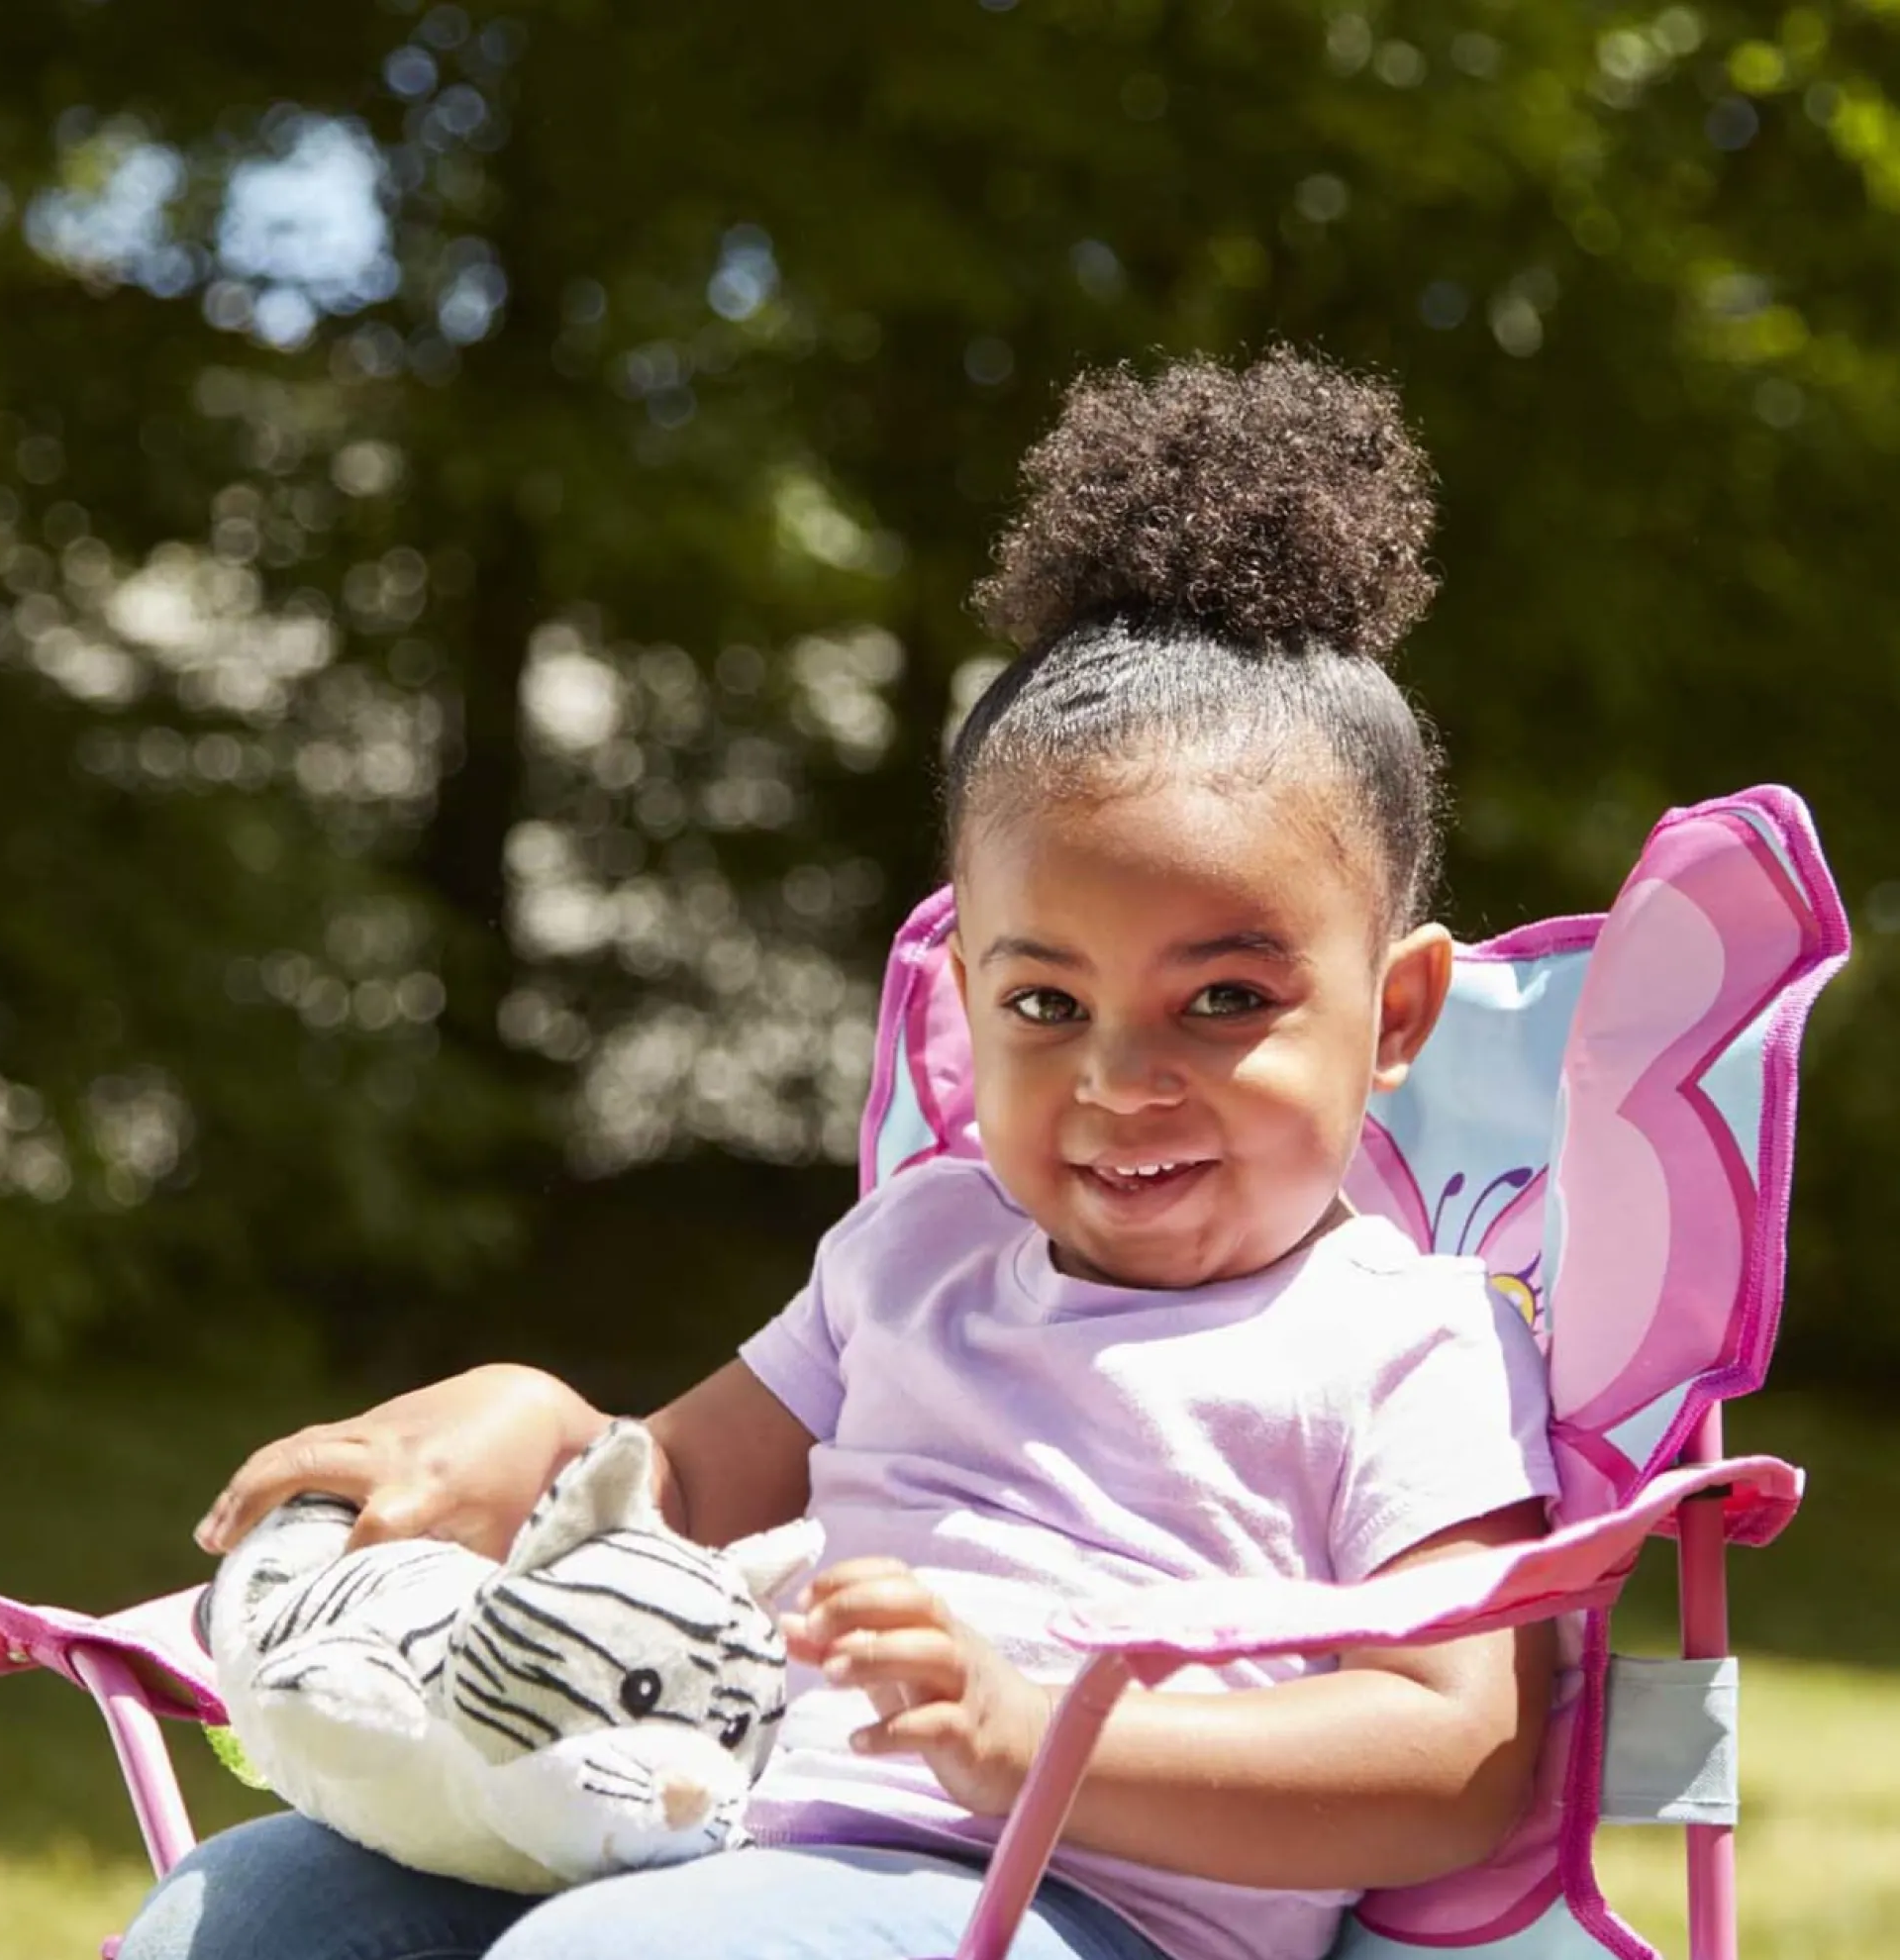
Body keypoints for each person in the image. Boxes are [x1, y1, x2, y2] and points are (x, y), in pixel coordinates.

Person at [121, 347, 1560, 1960]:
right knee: (251, 1907)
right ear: (967, 999)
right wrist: (527, 1421)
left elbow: (1460, 1756)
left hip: (1086, 1910)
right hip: (718, 1841)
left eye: (1225, 997)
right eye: (1045, 998)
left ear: (1401, 1010)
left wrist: (1036, 1742)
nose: (1122, 1075)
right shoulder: (915, 1254)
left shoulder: (1407, 1342)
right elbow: (666, 1492)